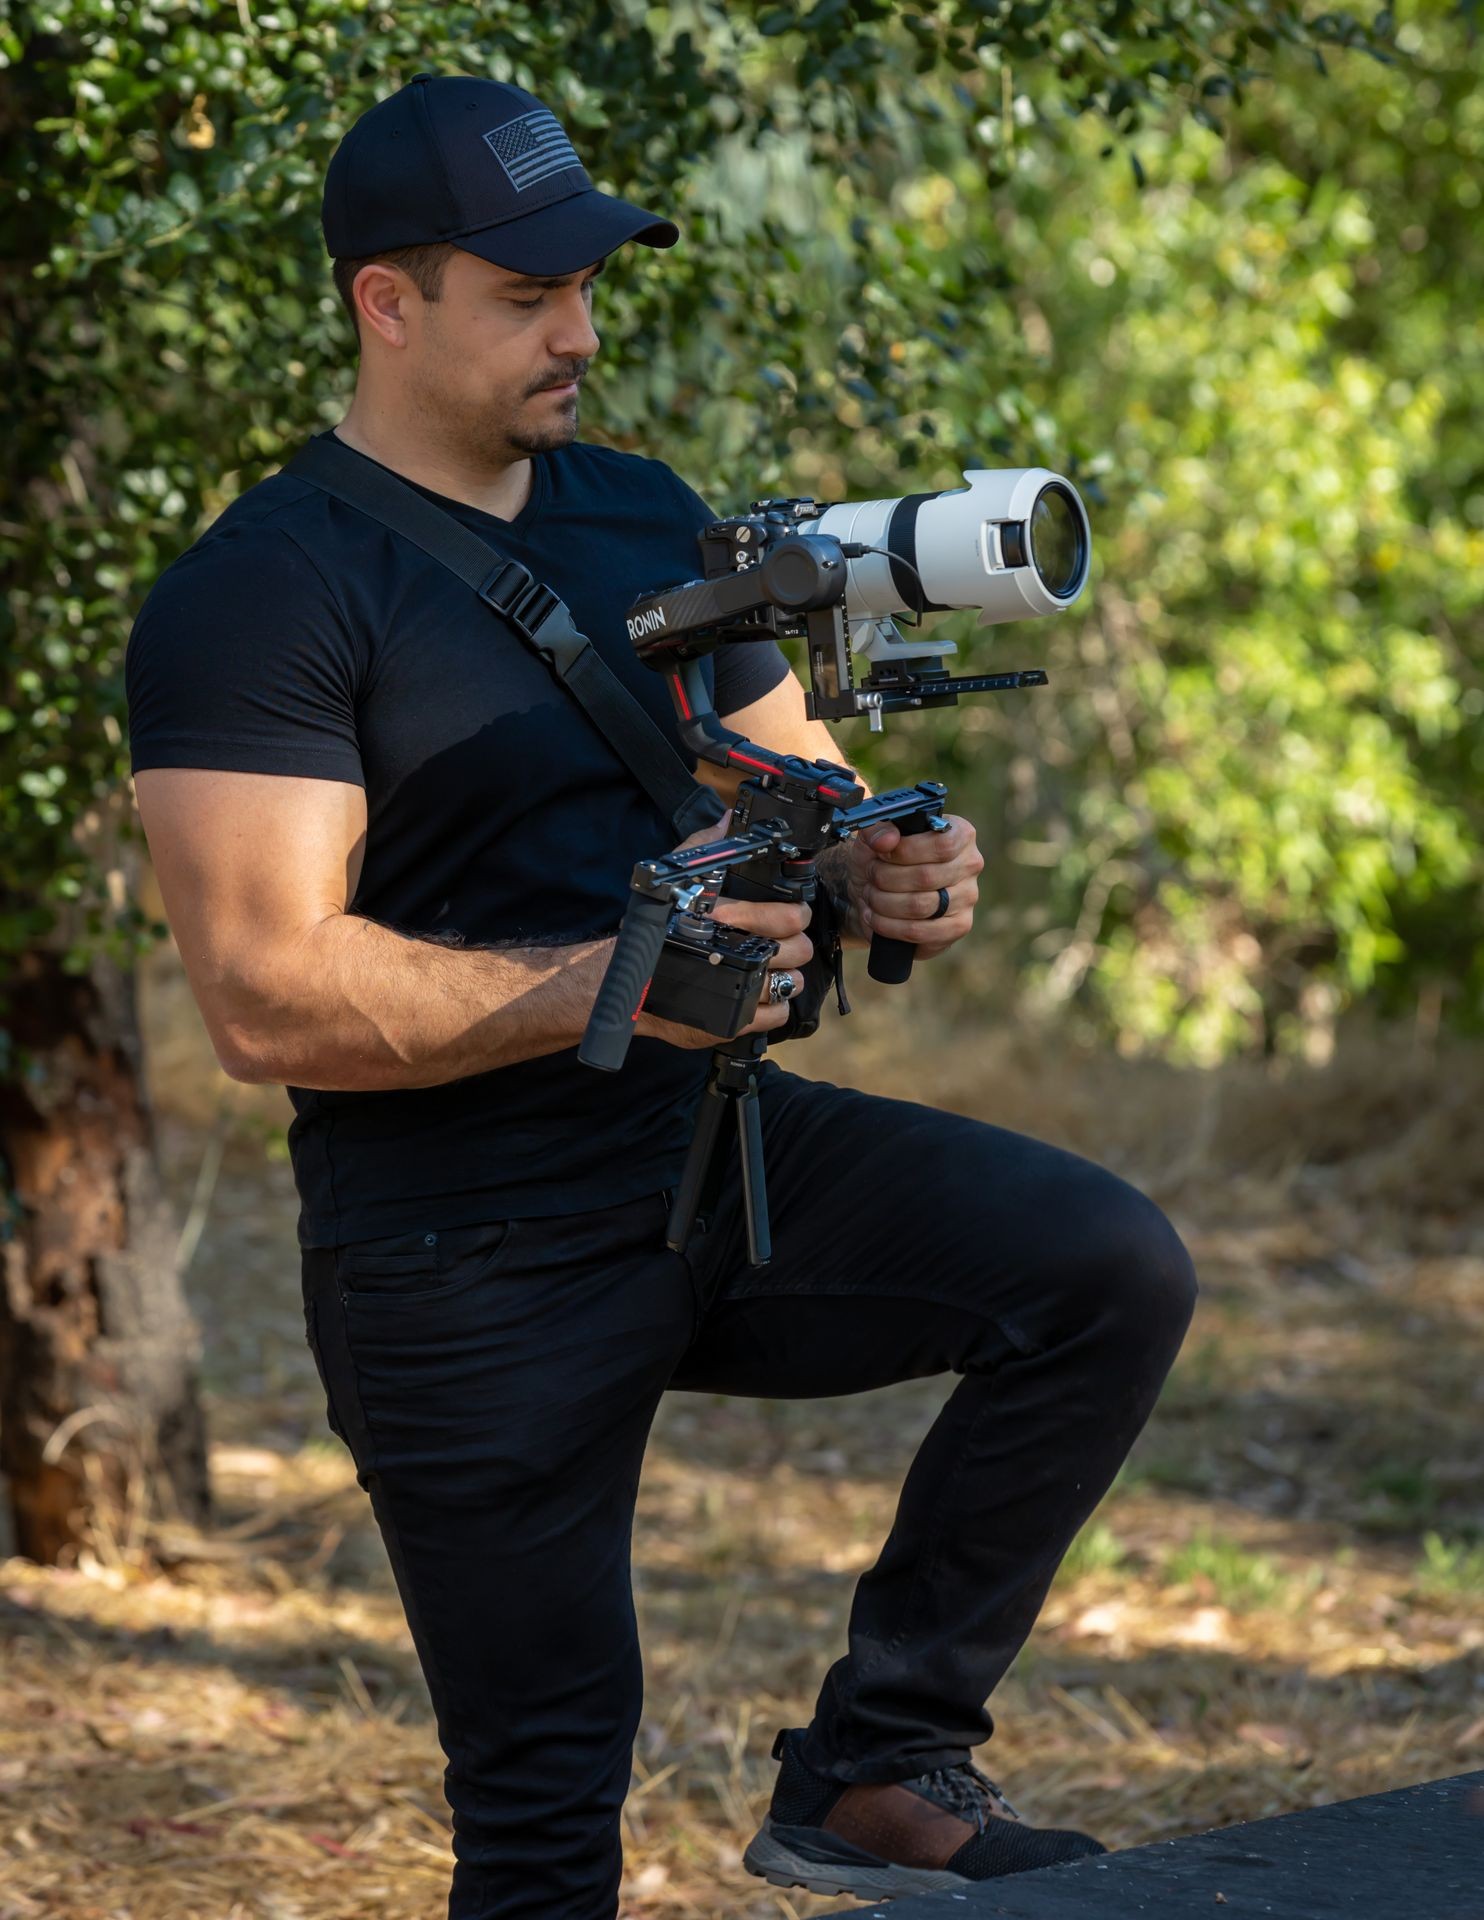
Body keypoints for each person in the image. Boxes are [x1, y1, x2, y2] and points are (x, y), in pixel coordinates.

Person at [126, 72, 1197, 1920]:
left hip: (714, 1164)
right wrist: (607, 980)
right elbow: (265, 995)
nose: (582, 329)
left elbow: (782, 775)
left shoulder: (642, 511)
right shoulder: (262, 591)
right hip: (460, 1253)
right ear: (388, 301)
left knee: (1102, 1270)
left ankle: (874, 1768)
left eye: (590, 283)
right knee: (547, 1820)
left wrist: (879, 866)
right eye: (529, 294)